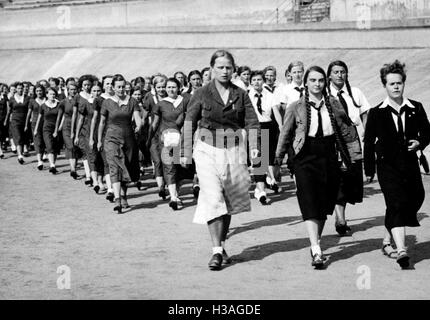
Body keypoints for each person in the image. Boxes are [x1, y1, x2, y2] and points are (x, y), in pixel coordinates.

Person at [275, 66, 362, 269]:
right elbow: (285, 134)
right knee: (309, 199)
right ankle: (315, 247)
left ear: (325, 82)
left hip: (328, 154)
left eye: (321, 80)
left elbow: (347, 129)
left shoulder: (333, 103)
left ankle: (317, 241)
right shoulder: (295, 107)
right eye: (313, 80)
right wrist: (277, 161)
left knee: (325, 202)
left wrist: (354, 156)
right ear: (306, 83)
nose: (317, 84)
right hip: (304, 155)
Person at [181, 50, 260, 271]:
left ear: (233, 69)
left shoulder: (241, 94)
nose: (225, 71)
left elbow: (252, 123)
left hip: (234, 151)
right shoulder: (201, 93)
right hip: (206, 150)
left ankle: (221, 245)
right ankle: (216, 251)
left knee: (229, 201)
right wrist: (186, 151)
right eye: (220, 67)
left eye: (228, 67)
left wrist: (255, 149)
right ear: (212, 69)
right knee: (213, 197)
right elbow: (189, 121)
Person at [364, 60, 430, 269]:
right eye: (391, 83)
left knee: (416, 197)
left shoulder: (415, 108)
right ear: (385, 85)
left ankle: (386, 240)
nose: (395, 87)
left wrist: (420, 142)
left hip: (410, 164)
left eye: (399, 83)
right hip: (387, 166)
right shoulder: (377, 112)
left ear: (403, 84)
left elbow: (427, 132)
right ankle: (402, 250)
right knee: (396, 203)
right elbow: (368, 142)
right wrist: (369, 169)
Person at [327, 60, 372, 236]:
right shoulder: (325, 93)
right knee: (337, 177)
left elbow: (365, 113)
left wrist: (368, 135)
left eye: (343, 72)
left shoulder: (356, 93)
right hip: (332, 138)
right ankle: (340, 220)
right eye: (336, 72)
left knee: (349, 177)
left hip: (352, 138)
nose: (340, 75)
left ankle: (340, 215)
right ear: (329, 75)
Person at [97, 74, 142, 214]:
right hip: (111, 138)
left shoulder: (132, 101)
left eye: (123, 87)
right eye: (118, 87)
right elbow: (102, 122)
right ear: (113, 87)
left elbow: (138, 119)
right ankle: (117, 199)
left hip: (128, 138)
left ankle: (123, 195)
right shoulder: (107, 102)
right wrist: (99, 139)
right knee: (115, 166)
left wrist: (139, 126)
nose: (121, 89)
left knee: (126, 166)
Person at [150, 78, 191, 210]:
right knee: (169, 167)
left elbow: (192, 118)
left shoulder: (185, 101)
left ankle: (176, 193)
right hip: (167, 140)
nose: (171, 90)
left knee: (181, 168)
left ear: (179, 88)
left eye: (173, 87)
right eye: (168, 87)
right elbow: (155, 123)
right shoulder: (161, 104)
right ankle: (173, 197)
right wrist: (150, 139)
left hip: (183, 139)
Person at [248, 70, 283, 204]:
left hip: (267, 126)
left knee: (266, 159)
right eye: (254, 80)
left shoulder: (269, 95)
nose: (257, 82)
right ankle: (261, 190)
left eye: (259, 79)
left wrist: (281, 126)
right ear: (251, 82)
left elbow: (276, 112)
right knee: (258, 159)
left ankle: (261, 186)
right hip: (253, 127)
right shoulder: (247, 96)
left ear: (263, 81)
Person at [75, 82, 105, 193]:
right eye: (94, 91)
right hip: (89, 134)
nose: (96, 93)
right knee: (92, 157)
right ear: (90, 92)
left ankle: (101, 181)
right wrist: (77, 135)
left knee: (101, 159)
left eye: (98, 91)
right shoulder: (86, 104)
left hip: (101, 134)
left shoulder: (104, 103)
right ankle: (96, 182)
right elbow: (80, 120)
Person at [143, 75, 168, 200]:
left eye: (164, 86)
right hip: (153, 133)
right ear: (155, 87)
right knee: (157, 160)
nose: (162, 89)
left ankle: (169, 183)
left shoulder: (171, 98)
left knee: (167, 161)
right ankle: (161, 187)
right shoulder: (150, 99)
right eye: (159, 87)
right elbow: (144, 115)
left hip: (169, 133)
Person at [72, 75, 96, 183]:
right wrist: (74, 132)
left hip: (93, 125)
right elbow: (75, 114)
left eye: (89, 85)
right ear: (81, 85)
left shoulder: (95, 95)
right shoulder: (78, 97)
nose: (87, 87)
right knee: (85, 152)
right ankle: (88, 175)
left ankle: (94, 174)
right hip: (82, 127)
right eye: (85, 85)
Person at [34, 87, 63, 174]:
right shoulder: (43, 106)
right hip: (46, 128)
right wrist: (35, 129)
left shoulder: (59, 104)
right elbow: (39, 118)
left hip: (56, 128)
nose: (52, 96)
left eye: (54, 94)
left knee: (55, 147)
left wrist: (57, 130)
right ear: (47, 95)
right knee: (49, 145)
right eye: (50, 94)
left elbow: (60, 118)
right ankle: (52, 165)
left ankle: (53, 164)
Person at [59, 81, 81, 179]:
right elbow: (62, 115)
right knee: (70, 146)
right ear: (67, 90)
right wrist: (59, 127)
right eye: (71, 89)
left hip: (78, 125)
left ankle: (74, 169)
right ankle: (72, 169)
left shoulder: (80, 100)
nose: (73, 91)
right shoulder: (63, 102)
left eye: (74, 89)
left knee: (75, 148)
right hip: (67, 126)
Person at [6, 82, 30, 164]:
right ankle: (20, 155)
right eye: (18, 88)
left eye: (21, 88)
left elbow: (30, 110)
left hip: (25, 120)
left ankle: (23, 151)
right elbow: (9, 111)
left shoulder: (27, 98)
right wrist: (6, 120)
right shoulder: (12, 99)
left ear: (23, 89)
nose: (20, 90)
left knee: (23, 137)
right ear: (16, 89)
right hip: (15, 121)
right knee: (18, 137)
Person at [25, 84, 46, 170]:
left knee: (44, 140)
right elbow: (29, 113)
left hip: (46, 122)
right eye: (37, 91)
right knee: (37, 141)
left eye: (40, 91)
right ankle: (39, 161)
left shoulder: (47, 100)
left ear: (43, 91)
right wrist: (26, 124)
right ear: (35, 92)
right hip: (34, 123)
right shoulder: (32, 101)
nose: (39, 92)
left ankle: (44, 153)